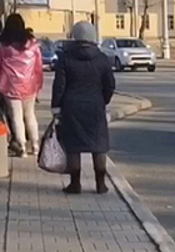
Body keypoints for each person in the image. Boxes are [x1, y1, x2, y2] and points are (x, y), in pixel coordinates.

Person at [52, 21, 115, 194]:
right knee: (98, 145)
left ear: (75, 36)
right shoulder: (102, 58)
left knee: (73, 146)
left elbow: (59, 86)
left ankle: (75, 183)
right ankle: (101, 184)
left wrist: (56, 107)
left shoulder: (66, 58)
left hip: (71, 107)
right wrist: (103, 100)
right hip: (95, 106)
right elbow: (110, 85)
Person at [0, 14, 43, 158]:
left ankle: (22, 147)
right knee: (30, 115)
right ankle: (36, 146)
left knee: (16, 117)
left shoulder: (4, 46)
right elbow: (38, 68)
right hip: (29, 86)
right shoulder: (32, 44)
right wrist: (38, 86)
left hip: (10, 87)